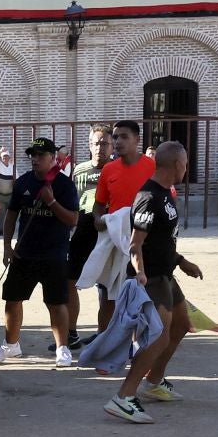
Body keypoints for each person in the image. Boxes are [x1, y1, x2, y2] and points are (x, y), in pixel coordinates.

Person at [104, 141, 202, 423]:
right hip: (151, 277)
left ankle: (154, 382)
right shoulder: (149, 196)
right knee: (158, 337)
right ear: (176, 165)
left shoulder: (166, 193)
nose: (186, 167)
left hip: (167, 273)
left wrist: (182, 261)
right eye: (185, 162)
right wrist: (141, 274)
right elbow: (136, 244)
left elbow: (162, 239)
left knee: (182, 324)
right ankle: (123, 397)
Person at [0, 137, 80, 367]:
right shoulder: (23, 182)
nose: (35, 159)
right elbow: (11, 215)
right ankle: (11, 346)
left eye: (41, 155)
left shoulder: (64, 185)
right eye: (33, 155)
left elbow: (73, 219)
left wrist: (52, 202)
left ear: (53, 158)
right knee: (12, 300)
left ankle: (62, 348)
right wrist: (6, 247)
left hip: (54, 254)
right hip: (24, 254)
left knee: (56, 303)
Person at [92, 120, 157, 331]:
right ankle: (104, 342)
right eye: (116, 137)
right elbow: (99, 205)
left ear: (137, 140)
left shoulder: (152, 167)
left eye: (124, 137)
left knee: (145, 294)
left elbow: (165, 200)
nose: (118, 141)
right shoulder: (109, 170)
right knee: (108, 298)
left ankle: (144, 344)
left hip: (147, 243)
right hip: (115, 243)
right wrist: (98, 220)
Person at [65, 124, 111, 337]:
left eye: (104, 143)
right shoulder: (79, 170)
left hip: (108, 231)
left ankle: (103, 333)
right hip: (82, 229)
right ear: (89, 145)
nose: (99, 147)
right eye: (96, 143)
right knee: (70, 280)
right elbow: (73, 200)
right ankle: (71, 333)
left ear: (111, 146)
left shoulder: (117, 168)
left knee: (106, 286)